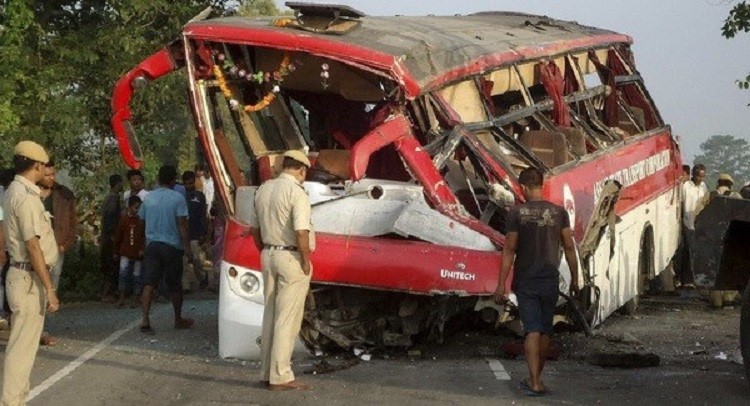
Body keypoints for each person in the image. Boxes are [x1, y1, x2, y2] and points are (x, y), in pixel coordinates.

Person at [493, 167, 578, 397]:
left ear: (523, 187)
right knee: (545, 331)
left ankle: (535, 382)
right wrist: (576, 279)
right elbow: (570, 247)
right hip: (550, 280)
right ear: (541, 185)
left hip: (527, 281)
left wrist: (501, 283)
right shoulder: (559, 213)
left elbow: (509, 249)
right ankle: (536, 378)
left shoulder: (517, 214)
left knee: (531, 330)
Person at [245, 150, 315, 391]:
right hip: (291, 256)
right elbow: (301, 231)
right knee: (287, 319)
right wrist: (305, 261)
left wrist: (265, 250)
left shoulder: (263, 189)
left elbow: (254, 229)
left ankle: (266, 373)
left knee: (270, 316)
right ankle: (281, 376)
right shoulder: (297, 193)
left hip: (268, 254)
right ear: (301, 170)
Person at [1, 141, 60, 405]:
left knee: (23, 347)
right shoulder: (24, 197)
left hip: (23, 275)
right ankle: (11, 401)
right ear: (36, 165)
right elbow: (32, 245)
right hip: (28, 278)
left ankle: (16, 400)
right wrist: (49, 288)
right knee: (21, 350)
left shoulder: (16, 191)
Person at [138, 165, 193, 335]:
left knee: (149, 283)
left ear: (158, 178)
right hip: (172, 247)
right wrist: (187, 247)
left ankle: (145, 319)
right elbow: (182, 225)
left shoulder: (148, 198)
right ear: (173, 180)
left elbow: (141, 223)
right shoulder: (178, 198)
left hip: (152, 246)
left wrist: (142, 244)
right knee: (175, 285)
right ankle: (178, 319)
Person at [38, 160, 77, 346]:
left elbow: (72, 223)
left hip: (56, 248)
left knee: (52, 288)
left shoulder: (64, 195)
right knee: (35, 288)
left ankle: (45, 329)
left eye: (53, 174)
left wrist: (65, 245)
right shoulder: (30, 194)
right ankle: (34, 329)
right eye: (47, 175)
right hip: (34, 248)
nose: (51, 178)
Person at [113, 196, 145, 307]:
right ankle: (122, 298)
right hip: (125, 252)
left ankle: (135, 299)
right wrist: (116, 252)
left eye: (139, 208)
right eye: (136, 208)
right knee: (123, 275)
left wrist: (143, 249)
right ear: (130, 207)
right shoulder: (124, 219)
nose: (137, 210)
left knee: (137, 276)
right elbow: (118, 236)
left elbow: (144, 237)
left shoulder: (141, 221)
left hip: (138, 254)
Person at [679, 164, 708, 288]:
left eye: (702, 177)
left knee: (697, 253)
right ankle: (686, 280)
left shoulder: (704, 187)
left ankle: (696, 279)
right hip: (687, 223)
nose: (700, 179)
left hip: (700, 226)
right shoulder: (686, 186)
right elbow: (681, 204)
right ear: (693, 174)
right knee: (687, 252)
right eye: (698, 176)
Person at [182, 171, 208, 291]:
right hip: (182, 233)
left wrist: (203, 233)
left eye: (190, 183)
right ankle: (186, 286)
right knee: (184, 260)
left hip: (195, 233)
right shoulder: (180, 196)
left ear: (194, 182)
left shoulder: (200, 196)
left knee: (196, 258)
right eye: (186, 183)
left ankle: (203, 277)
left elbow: (203, 215)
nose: (188, 186)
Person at [99, 174, 124, 302]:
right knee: (111, 266)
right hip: (110, 238)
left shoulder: (108, 198)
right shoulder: (114, 199)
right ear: (118, 183)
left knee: (108, 266)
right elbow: (111, 220)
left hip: (106, 237)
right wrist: (114, 237)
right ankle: (106, 294)